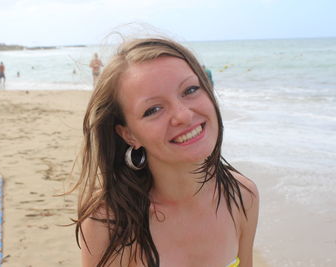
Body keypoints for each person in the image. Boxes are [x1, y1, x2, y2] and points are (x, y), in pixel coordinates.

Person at [73, 38, 259, 267]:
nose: (184, 116)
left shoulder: (241, 195)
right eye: (153, 109)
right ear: (128, 134)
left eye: (190, 90)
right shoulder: (111, 222)